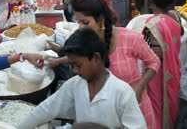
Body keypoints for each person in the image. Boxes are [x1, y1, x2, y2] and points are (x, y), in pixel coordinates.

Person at [48, 0, 160, 129]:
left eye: (85, 22)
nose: (80, 28)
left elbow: (154, 62)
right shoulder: (87, 42)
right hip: (105, 114)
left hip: (136, 109)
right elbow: (80, 59)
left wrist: (140, 87)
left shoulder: (131, 39)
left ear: (101, 21)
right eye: (78, 22)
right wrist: (58, 61)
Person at [18, 28, 147, 129]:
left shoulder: (122, 93)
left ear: (96, 58)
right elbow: (45, 109)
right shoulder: (75, 85)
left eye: (78, 65)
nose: (74, 70)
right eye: (72, 65)